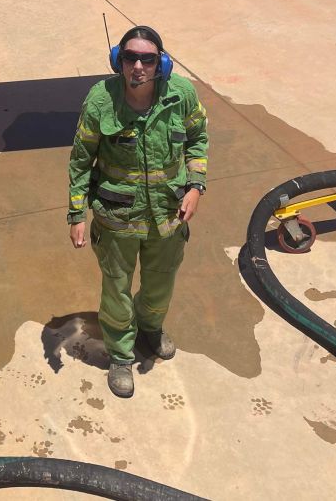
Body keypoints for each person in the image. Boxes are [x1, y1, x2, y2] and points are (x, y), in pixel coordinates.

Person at [67, 26, 208, 398]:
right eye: (131, 58)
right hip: (118, 218)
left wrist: (195, 186)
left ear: (160, 62)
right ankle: (120, 355)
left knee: (161, 284)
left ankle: (150, 327)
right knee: (116, 291)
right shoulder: (100, 101)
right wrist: (76, 214)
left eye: (148, 58)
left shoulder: (182, 95)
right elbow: (81, 161)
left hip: (168, 215)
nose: (139, 67)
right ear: (119, 61)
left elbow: (197, 140)